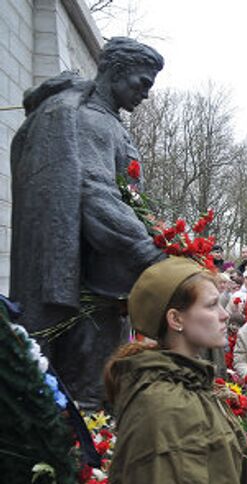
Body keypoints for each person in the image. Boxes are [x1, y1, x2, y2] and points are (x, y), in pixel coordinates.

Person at [92, 257, 247, 484]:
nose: (224, 315)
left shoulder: (193, 387)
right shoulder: (165, 407)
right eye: (210, 306)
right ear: (176, 319)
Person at [9, 37, 167, 408]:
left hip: (102, 288)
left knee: (98, 393)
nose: (144, 95)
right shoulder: (89, 121)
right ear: (115, 71)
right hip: (87, 294)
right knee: (89, 399)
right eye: (141, 83)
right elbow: (94, 194)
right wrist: (146, 249)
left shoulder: (105, 121)